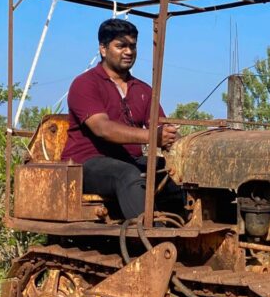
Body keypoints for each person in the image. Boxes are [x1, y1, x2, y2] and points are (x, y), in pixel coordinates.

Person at [61, 18, 181, 219]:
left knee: (171, 172)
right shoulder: (85, 84)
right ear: (103, 48)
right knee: (127, 174)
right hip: (86, 165)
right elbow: (103, 129)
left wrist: (174, 138)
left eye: (132, 46)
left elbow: (161, 127)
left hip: (128, 160)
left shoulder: (143, 90)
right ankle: (149, 237)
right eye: (121, 46)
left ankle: (192, 227)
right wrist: (153, 136)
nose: (128, 51)